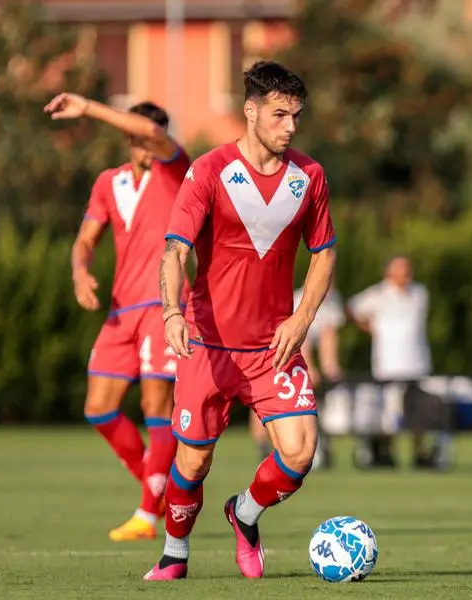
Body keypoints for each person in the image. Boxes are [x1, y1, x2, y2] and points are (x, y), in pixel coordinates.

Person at [144, 61, 337, 581]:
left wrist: (302, 318)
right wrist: (170, 313)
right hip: (208, 345)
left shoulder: (310, 176)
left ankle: (244, 513)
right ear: (250, 112)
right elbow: (173, 251)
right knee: (192, 464)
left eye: (296, 115)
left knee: (299, 454)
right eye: (279, 114)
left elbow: (324, 254)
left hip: (272, 345)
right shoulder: (208, 171)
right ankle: (175, 554)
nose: (290, 126)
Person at [44, 94, 191, 541]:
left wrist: (87, 108)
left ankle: (148, 516)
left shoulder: (176, 169)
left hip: (164, 304)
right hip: (121, 309)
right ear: (126, 138)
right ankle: (159, 487)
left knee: (155, 407)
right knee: (99, 407)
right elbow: (86, 238)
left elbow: (152, 131)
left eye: (153, 133)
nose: (147, 141)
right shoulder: (110, 182)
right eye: (138, 135)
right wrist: (79, 271)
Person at [348, 255, 438, 468]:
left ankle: (420, 452)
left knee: (418, 411)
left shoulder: (419, 293)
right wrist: (371, 329)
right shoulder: (378, 294)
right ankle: (385, 452)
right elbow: (352, 309)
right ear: (388, 272)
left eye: (407, 268)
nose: (404, 273)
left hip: (417, 362)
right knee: (389, 411)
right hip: (388, 363)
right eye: (399, 268)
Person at [249, 287, 345, 467]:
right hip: (276, 349)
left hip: (291, 348)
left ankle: (319, 446)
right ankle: (263, 447)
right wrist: (308, 369)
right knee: (262, 398)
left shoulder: (332, 302)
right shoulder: (298, 299)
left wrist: (330, 366)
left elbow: (328, 336)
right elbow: (300, 337)